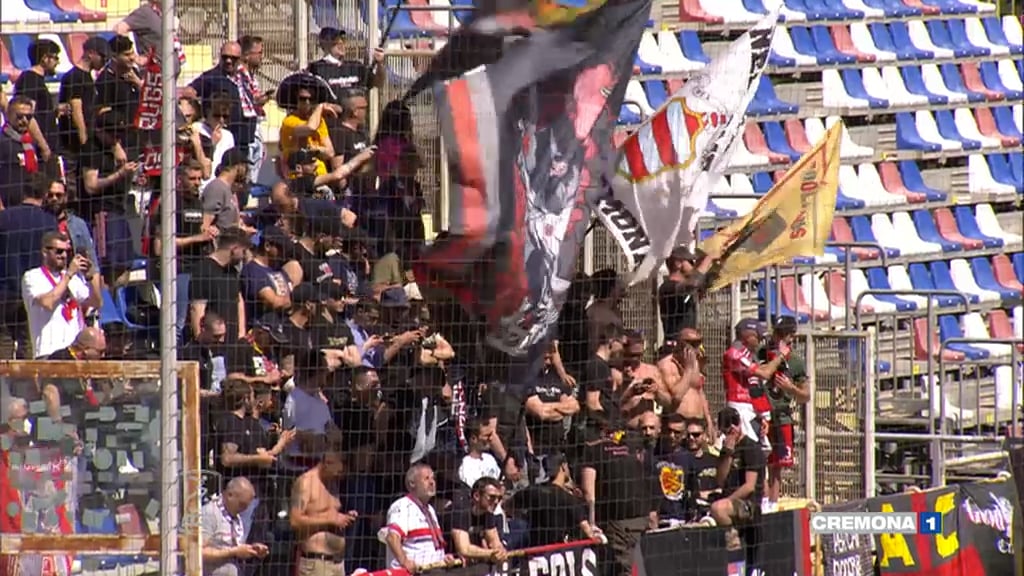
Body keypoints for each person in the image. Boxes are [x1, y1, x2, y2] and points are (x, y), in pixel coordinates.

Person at [21, 231, 102, 358]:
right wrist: (69, 275)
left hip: (73, 352)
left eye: (67, 252)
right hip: (48, 352)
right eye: (59, 251)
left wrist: (90, 277)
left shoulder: (72, 277)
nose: (64, 256)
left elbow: (96, 302)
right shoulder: (32, 276)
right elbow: (47, 303)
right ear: (45, 252)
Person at [758, 316, 810, 513]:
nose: (777, 337)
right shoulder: (761, 353)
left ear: (791, 337)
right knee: (759, 460)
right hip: (761, 414)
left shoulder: (795, 362)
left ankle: (772, 503)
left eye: (783, 334)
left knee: (777, 465)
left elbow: (806, 396)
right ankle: (762, 501)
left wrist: (791, 388)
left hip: (781, 417)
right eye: (776, 333)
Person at [290, 440, 357, 576]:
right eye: (338, 472)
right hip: (317, 563)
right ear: (327, 463)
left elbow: (331, 513)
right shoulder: (306, 483)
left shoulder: (331, 482)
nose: (339, 476)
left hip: (337, 563)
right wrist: (329, 519)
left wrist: (345, 517)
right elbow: (294, 520)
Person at [722, 318, 789, 449]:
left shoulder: (749, 355)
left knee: (761, 453)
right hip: (739, 410)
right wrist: (781, 356)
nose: (760, 341)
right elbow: (765, 373)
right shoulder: (734, 354)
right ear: (748, 336)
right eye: (758, 336)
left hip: (752, 411)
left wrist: (763, 415)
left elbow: (756, 385)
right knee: (747, 453)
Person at [510, 453, 599, 547]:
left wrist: (525, 518)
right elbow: (587, 532)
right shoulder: (568, 498)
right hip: (557, 551)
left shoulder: (532, 491)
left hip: (533, 549)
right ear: (563, 467)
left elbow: (508, 506)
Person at [711, 407, 766, 552]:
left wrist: (727, 501)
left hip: (749, 504)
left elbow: (749, 486)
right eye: (728, 428)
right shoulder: (726, 450)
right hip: (731, 501)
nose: (732, 430)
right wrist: (728, 453)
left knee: (718, 508)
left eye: (734, 424)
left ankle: (734, 543)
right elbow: (720, 480)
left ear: (740, 423)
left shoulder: (751, 448)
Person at [381, 463, 453, 572]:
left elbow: (428, 546)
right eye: (426, 478)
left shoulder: (430, 510)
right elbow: (392, 538)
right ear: (412, 483)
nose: (432, 482)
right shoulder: (402, 506)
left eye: (433, 478)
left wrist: (443, 558)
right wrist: (405, 561)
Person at [189, 227, 250, 340]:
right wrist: (202, 340)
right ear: (235, 249)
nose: (244, 256)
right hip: (213, 342)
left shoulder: (232, 271)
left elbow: (238, 300)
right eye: (244, 251)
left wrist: (241, 335)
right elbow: (197, 309)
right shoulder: (203, 270)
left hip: (233, 342)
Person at [201, 476, 269, 576]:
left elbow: (231, 547)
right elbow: (198, 552)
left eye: (247, 506)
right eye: (242, 504)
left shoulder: (234, 517)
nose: (244, 509)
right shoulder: (210, 513)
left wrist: (251, 549)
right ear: (230, 495)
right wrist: (233, 552)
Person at [58, 36, 108, 156]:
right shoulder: (75, 77)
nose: (105, 62)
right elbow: (76, 111)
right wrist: (84, 141)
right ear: (91, 53)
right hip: (75, 143)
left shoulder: (87, 76)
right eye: (103, 57)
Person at [13, 40, 60, 155]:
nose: (58, 62)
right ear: (45, 58)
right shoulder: (30, 79)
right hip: (39, 149)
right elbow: (28, 117)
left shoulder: (36, 79)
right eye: (55, 58)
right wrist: (44, 146)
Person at [449, 477, 508, 564]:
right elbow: (464, 549)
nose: (496, 502)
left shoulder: (488, 513)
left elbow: (495, 543)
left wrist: (501, 551)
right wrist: (492, 553)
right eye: (492, 497)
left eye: (499, 498)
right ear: (476, 496)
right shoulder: (460, 512)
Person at [0, 96, 44, 208]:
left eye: (28, 117)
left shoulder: (29, 143)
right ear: (8, 115)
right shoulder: (2, 141)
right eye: (19, 116)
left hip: (30, 206)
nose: (24, 120)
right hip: (8, 208)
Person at [203, 147, 249, 232]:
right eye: (245, 165)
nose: (246, 170)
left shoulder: (229, 189)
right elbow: (205, 226)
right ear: (238, 166)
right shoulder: (216, 188)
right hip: (221, 240)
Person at [457, 418, 500, 488]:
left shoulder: (490, 458)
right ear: (474, 439)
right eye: (487, 435)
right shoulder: (466, 465)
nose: (491, 438)